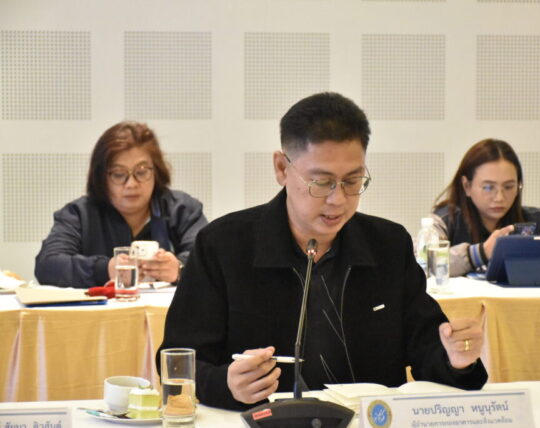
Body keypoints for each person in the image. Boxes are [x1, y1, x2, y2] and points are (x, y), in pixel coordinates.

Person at [158, 92, 487, 411]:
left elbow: (426, 348)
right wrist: (226, 384)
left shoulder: (388, 245)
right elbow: (178, 362)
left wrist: (456, 360)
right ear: (281, 168)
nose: (338, 200)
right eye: (321, 182)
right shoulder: (224, 245)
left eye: (352, 181)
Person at [35, 121, 208, 288]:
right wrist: (105, 269)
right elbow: (47, 265)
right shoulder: (79, 214)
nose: (131, 184)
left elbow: (210, 260)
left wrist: (180, 268)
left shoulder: (182, 209)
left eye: (141, 172)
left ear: (157, 171)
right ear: (101, 177)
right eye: (118, 174)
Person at [432, 138, 540, 277]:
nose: (499, 197)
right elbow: (426, 266)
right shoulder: (444, 221)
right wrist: (481, 252)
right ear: (467, 186)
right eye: (488, 187)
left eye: (509, 187)